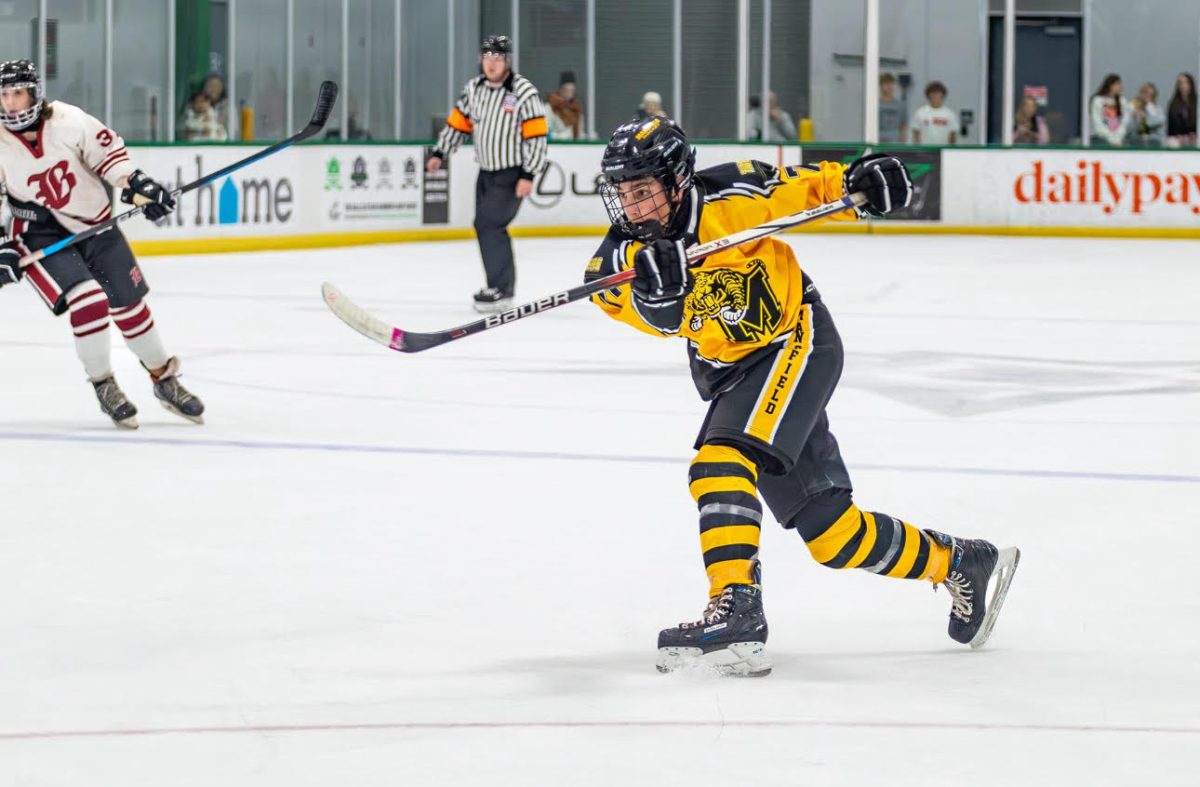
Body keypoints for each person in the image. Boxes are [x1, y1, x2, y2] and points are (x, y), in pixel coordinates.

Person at [587, 116, 1019, 676]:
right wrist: (658, 294)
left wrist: (860, 182)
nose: (633, 208)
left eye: (643, 192)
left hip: (797, 342)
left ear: (676, 181)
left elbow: (808, 186)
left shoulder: (732, 195)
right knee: (833, 534)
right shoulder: (623, 257)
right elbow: (635, 306)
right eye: (624, 195)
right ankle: (960, 561)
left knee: (718, 462)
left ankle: (736, 603)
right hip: (735, 375)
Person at [0, 59, 204, 428]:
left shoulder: (68, 120)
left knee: (130, 306)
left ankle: (164, 379)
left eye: (18, 93)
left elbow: (110, 159)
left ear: (35, 93)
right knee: (89, 300)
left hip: (96, 225)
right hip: (39, 233)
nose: (11, 103)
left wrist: (140, 189)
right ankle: (104, 384)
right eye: (5, 96)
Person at [426, 35, 547, 313]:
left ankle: (501, 289)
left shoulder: (523, 91)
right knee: (488, 227)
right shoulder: (473, 89)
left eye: (497, 58)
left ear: (507, 61)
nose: (491, 64)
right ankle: (499, 287)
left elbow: (537, 137)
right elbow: (458, 125)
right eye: (487, 58)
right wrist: (439, 153)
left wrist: (528, 174)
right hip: (486, 174)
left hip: (512, 173)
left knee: (488, 225)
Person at [910, 80, 956, 144]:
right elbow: (916, 134)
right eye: (933, 93)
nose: (935, 95)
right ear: (928, 95)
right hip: (924, 152)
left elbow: (953, 135)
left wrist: (951, 152)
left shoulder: (949, 114)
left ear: (942, 95)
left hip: (943, 151)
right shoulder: (920, 112)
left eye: (938, 93)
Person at [1089, 73, 1128, 147]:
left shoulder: (1122, 101)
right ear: (1110, 85)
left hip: (1119, 140)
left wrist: (1118, 138)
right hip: (1101, 139)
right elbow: (1097, 121)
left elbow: (1124, 121)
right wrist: (1111, 139)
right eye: (1118, 84)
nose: (1121, 87)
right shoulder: (1098, 100)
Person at [547, 71, 584, 140]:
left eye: (572, 91)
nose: (569, 94)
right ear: (560, 89)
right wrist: (567, 136)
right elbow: (548, 133)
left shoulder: (577, 109)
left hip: (575, 149)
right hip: (558, 148)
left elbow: (580, 132)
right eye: (566, 90)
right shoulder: (550, 107)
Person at [1127, 83, 1164, 147]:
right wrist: (1134, 117)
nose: (1147, 97)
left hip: (1153, 141)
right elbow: (1129, 128)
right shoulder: (1132, 106)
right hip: (1136, 141)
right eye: (1146, 93)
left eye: (1151, 95)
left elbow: (1159, 122)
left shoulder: (1157, 109)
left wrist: (1148, 106)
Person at [1166, 72, 1196, 148]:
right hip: (1177, 137)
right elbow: (1171, 125)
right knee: (1172, 143)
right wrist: (1180, 136)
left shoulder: (1196, 102)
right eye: (1180, 83)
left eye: (1185, 82)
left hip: (1193, 136)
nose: (1183, 85)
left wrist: (1192, 135)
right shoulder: (1173, 103)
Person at [877, 73, 907, 144]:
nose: (889, 86)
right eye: (886, 84)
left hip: (895, 142)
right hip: (879, 141)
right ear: (881, 86)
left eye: (891, 84)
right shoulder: (875, 105)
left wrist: (902, 142)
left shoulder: (901, 105)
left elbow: (903, 125)